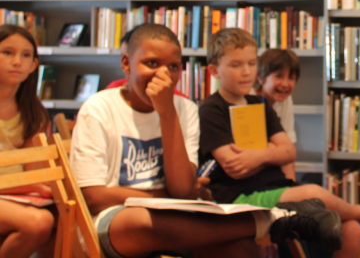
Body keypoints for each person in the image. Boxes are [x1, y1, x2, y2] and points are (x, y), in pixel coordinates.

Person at [69, 23, 343, 258]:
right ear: (126, 63)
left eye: (173, 67)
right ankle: (273, 219)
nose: (163, 76)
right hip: (116, 220)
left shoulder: (184, 109)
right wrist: (164, 198)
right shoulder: (98, 108)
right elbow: (95, 197)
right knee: (139, 219)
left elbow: (181, 189)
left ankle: (270, 222)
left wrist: (167, 113)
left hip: (180, 214)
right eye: (151, 63)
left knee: (240, 247)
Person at [200, 28, 360, 257]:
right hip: (241, 197)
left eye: (251, 63)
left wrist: (258, 156)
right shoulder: (211, 110)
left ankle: (358, 218)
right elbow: (236, 169)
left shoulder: (260, 104)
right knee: (314, 192)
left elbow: (289, 152)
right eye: (235, 65)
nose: (246, 72)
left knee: (351, 229)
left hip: (278, 188)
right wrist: (272, 152)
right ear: (214, 71)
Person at [0, 24, 55, 258]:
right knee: (37, 222)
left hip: (17, 195)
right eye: (7, 53)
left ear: (34, 65)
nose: (17, 62)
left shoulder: (34, 112)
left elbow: (37, 172)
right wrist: (30, 186)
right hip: (13, 193)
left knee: (61, 214)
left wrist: (36, 187)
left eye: (26, 55)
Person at [255, 48, 301, 180]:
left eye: (291, 78)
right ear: (261, 78)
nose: (285, 84)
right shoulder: (249, 100)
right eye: (279, 76)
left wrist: (291, 184)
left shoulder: (285, 101)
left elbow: (287, 150)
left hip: (272, 167)